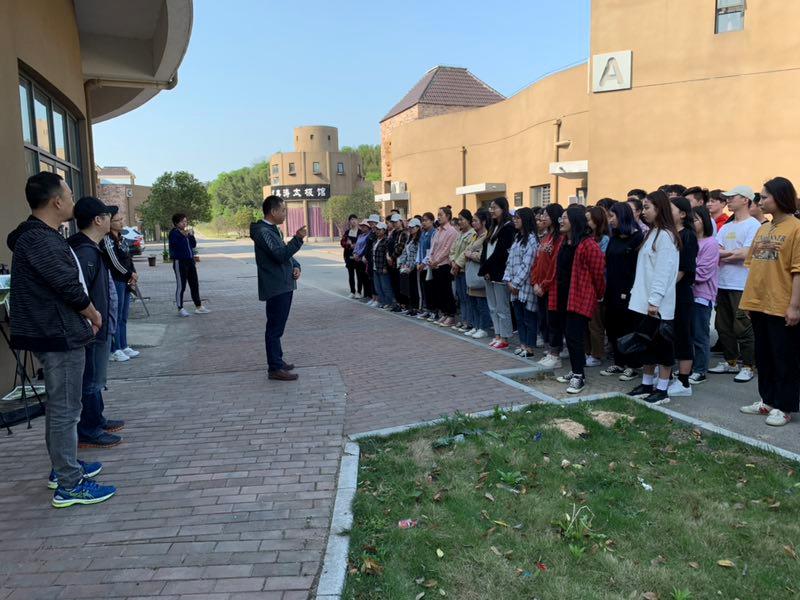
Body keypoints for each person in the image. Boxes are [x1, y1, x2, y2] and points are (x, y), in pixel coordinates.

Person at [7, 172, 116, 507]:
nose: (72, 200)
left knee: (61, 407)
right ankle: (70, 484)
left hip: (57, 332)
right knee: (66, 410)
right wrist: (94, 314)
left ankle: (63, 467)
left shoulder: (41, 235)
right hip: (58, 335)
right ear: (56, 202)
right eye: (68, 195)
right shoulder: (39, 240)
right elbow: (68, 287)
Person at [739, 177, 800, 426]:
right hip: (758, 304)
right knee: (763, 356)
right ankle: (768, 401)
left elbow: (798, 271)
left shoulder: (796, 228)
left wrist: (794, 306)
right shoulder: (763, 228)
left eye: (764, 197)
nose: (760, 201)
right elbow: (753, 267)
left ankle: (784, 406)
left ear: (780, 198)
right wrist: (749, 302)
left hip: (782, 305)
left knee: (784, 357)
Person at [69, 197, 125, 449]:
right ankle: (89, 430)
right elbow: (77, 292)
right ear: (97, 220)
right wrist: (94, 318)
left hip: (99, 325)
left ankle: (97, 419)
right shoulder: (84, 252)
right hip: (91, 327)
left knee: (96, 377)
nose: (111, 219)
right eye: (107, 215)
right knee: (90, 380)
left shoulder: (93, 247)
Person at [626, 191, 680, 404]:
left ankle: (662, 389)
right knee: (647, 346)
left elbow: (663, 272)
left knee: (662, 348)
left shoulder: (666, 236)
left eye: (647, 207)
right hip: (643, 301)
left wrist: (654, 300)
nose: (644, 212)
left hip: (657, 305)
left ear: (659, 209)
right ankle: (647, 384)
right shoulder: (652, 233)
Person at [550, 206, 606, 394]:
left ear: (574, 220)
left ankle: (578, 376)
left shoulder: (588, 244)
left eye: (565, 218)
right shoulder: (564, 242)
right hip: (563, 297)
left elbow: (598, 273)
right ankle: (576, 369)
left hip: (579, 297)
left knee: (575, 337)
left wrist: (598, 294)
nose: (561, 221)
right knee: (569, 335)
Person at [251, 195, 307, 381]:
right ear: (273, 211)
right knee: (274, 328)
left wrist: (296, 265)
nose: (285, 214)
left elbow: (285, 254)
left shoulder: (272, 230)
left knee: (278, 327)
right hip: (276, 286)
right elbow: (280, 255)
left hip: (283, 284)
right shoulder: (263, 231)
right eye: (283, 210)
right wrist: (297, 239)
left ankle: (278, 360)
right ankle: (274, 368)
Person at [708, 185, 759, 382]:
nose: (728, 200)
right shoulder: (727, 226)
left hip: (741, 284)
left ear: (745, 200)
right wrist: (731, 254)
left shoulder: (753, 225)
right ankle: (731, 362)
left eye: (732, 197)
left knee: (742, 327)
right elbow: (715, 250)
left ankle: (748, 365)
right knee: (723, 326)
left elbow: (746, 253)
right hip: (722, 283)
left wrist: (724, 255)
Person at [600, 202, 644, 381]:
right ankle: (619, 362)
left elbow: (637, 268)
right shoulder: (614, 237)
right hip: (611, 288)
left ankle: (632, 365)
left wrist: (629, 290)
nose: (610, 220)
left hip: (629, 290)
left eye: (612, 216)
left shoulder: (637, 238)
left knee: (628, 327)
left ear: (623, 216)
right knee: (612, 326)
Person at [666, 196, 699, 398]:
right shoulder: (667, 234)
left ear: (683, 214)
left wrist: (666, 287)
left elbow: (684, 268)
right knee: (667, 335)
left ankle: (684, 381)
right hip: (667, 292)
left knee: (683, 335)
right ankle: (668, 375)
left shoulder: (688, 236)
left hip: (680, 292)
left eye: (670, 209)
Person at [688, 205, 720, 385]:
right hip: (687, 294)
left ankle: (700, 370)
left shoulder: (710, 243)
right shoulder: (688, 241)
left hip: (702, 295)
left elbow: (703, 272)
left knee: (700, 335)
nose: (692, 222)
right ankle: (689, 367)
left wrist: (683, 274)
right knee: (689, 334)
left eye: (696, 219)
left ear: (705, 221)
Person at [479, 198, 515, 349]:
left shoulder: (508, 227)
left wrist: (486, 268)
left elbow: (501, 253)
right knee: (493, 307)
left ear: (503, 209)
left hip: (499, 272)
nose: (492, 210)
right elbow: (486, 249)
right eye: (491, 207)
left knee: (502, 307)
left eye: (495, 208)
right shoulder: (492, 226)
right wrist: (485, 269)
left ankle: (505, 338)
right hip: (489, 272)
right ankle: (498, 335)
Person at [103, 212, 139, 362]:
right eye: (117, 220)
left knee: (124, 316)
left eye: (121, 219)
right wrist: (129, 273)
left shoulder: (121, 238)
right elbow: (114, 262)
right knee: (116, 316)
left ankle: (123, 345)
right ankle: (115, 349)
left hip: (126, 280)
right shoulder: (107, 239)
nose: (121, 222)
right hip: (116, 280)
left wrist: (133, 274)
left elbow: (128, 258)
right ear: (110, 222)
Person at [533, 203, 565, 368]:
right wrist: (535, 282)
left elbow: (554, 266)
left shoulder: (559, 239)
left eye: (546, 215)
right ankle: (549, 351)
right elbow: (537, 261)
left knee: (553, 322)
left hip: (551, 288)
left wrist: (543, 285)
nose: (542, 218)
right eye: (542, 215)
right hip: (540, 286)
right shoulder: (546, 237)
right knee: (544, 321)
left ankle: (555, 354)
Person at [503, 208, 539, 358]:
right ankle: (523, 344)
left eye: (518, 218)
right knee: (519, 318)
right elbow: (509, 261)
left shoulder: (532, 239)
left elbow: (528, 264)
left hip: (525, 286)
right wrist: (508, 280)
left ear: (526, 220)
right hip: (514, 285)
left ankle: (529, 348)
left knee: (528, 318)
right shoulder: (517, 238)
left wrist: (515, 283)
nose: (515, 220)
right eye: (515, 218)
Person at [169, 213, 210, 317]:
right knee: (181, 286)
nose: (185, 223)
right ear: (176, 223)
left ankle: (198, 306)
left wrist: (191, 235)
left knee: (194, 284)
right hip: (180, 262)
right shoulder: (174, 233)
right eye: (182, 222)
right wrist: (184, 234)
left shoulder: (187, 233)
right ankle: (180, 308)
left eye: (185, 221)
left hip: (190, 261)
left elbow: (193, 244)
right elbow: (176, 243)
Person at [585, 206, 610, 366]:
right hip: (586, 284)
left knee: (596, 323)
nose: (586, 222)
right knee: (587, 322)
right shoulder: (587, 237)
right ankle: (588, 351)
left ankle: (597, 354)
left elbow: (599, 263)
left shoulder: (604, 239)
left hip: (598, 284)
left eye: (589, 219)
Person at [463, 210, 492, 339]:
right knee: (473, 303)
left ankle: (483, 328)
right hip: (471, 274)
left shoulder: (486, 236)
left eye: (475, 220)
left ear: (483, 222)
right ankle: (476, 326)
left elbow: (483, 256)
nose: (473, 223)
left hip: (479, 275)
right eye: (473, 220)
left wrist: (470, 254)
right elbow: (466, 250)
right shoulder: (474, 236)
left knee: (481, 304)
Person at [428, 206, 459, 326]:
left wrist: (436, 261)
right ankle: (445, 313)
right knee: (439, 291)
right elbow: (433, 247)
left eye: (441, 215)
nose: (438, 217)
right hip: (435, 265)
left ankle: (451, 315)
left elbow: (447, 250)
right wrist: (431, 259)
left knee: (447, 291)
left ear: (448, 216)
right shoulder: (438, 231)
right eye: (438, 215)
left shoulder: (452, 231)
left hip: (444, 265)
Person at [450, 209, 476, 332]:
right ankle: (464, 319)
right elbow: (452, 250)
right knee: (461, 297)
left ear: (469, 220)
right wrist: (452, 262)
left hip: (465, 269)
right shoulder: (459, 234)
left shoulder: (472, 234)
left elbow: (467, 251)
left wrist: (457, 264)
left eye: (462, 219)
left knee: (467, 297)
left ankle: (469, 321)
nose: (459, 222)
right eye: (459, 219)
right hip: (457, 270)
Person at [397, 218, 421, 315]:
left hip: (414, 267)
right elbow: (404, 252)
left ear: (418, 228)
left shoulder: (419, 240)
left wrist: (411, 266)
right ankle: (411, 307)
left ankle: (416, 308)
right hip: (406, 266)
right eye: (409, 227)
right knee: (408, 288)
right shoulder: (409, 239)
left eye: (412, 227)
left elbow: (417, 254)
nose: (410, 229)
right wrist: (402, 263)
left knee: (415, 288)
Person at [415, 212, 436, 319]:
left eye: (426, 220)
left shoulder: (434, 233)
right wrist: (418, 262)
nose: (423, 222)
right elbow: (419, 249)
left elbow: (432, 250)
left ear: (432, 221)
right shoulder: (423, 233)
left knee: (431, 289)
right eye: (422, 220)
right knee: (424, 289)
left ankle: (433, 311)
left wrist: (424, 263)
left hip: (429, 265)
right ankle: (427, 309)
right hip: (422, 266)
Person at [389, 213, 410, 311]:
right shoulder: (393, 233)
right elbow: (388, 244)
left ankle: (403, 304)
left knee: (401, 284)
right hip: (392, 262)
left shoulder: (404, 233)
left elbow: (400, 248)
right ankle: (398, 303)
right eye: (392, 222)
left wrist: (392, 257)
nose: (394, 224)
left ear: (401, 222)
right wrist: (388, 256)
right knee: (394, 284)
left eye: (396, 222)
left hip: (400, 262)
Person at [371, 222, 394, 308]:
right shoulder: (375, 241)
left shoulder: (386, 241)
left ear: (384, 231)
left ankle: (389, 303)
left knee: (385, 287)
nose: (377, 231)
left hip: (382, 267)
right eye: (376, 229)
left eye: (379, 229)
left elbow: (386, 255)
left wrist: (385, 267)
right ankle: (383, 302)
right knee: (378, 287)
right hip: (375, 266)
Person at [352, 220, 373, 302]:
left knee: (367, 278)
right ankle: (365, 294)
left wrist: (360, 255)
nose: (362, 227)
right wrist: (354, 253)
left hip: (363, 259)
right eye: (362, 226)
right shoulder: (360, 235)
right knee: (361, 277)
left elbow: (366, 248)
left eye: (364, 226)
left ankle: (369, 295)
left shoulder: (369, 235)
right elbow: (356, 246)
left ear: (368, 227)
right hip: (357, 259)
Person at [340, 214, 360, 298]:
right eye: (351, 219)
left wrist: (355, 245)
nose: (353, 221)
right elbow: (342, 242)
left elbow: (363, 243)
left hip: (358, 256)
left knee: (359, 274)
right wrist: (348, 245)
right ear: (349, 222)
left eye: (355, 219)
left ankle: (359, 292)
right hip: (349, 256)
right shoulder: (347, 232)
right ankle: (352, 291)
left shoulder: (360, 232)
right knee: (351, 275)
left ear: (357, 221)